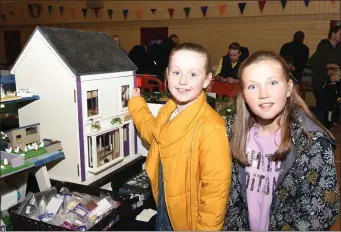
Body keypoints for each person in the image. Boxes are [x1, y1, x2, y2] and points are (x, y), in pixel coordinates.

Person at [224, 51, 339, 231]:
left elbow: (319, 214)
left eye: (273, 83)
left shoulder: (312, 142)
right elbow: (228, 201)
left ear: (288, 87)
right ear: (243, 94)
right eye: (253, 86)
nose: (264, 94)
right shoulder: (232, 133)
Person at [128, 43, 232, 230]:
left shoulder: (212, 128)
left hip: (187, 222)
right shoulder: (168, 111)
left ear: (207, 80)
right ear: (167, 74)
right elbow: (154, 134)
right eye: (176, 72)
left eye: (193, 74)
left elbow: (215, 194)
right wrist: (137, 105)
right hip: (164, 206)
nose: (183, 81)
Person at [309, 25, 341, 124]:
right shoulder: (323, 46)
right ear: (333, 34)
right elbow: (312, 63)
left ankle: (328, 126)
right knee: (322, 108)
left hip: (333, 84)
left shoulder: (338, 48)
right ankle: (318, 129)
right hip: (321, 82)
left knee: (331, 107)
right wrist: (329, 66)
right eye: (340, 33)